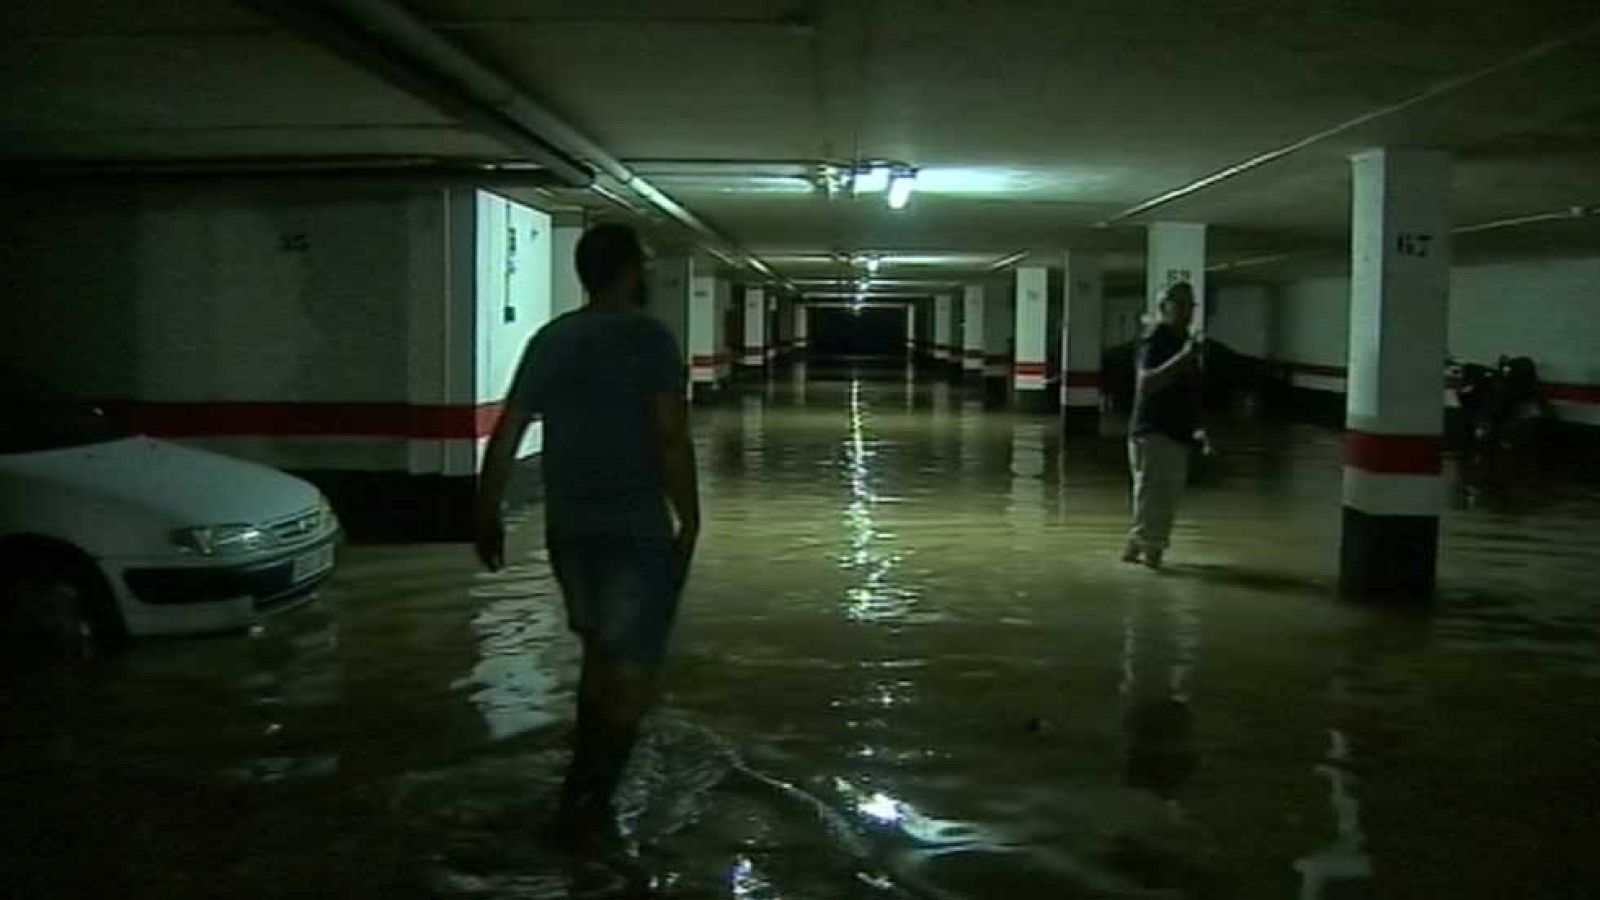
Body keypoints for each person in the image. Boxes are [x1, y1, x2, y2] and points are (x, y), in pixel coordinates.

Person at [474, 223, 700, 853]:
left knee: (598, 652)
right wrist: (691, 516)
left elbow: (509, 429)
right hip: (632, 527)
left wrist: (486, 511)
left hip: (567, 526)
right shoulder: (649, 338)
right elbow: (669, 438)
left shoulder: (553, 338)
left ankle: (578, 781)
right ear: (631, 270)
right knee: (634, 675)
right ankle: (591, 806)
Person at [1123, 281, 1208, 569]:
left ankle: (1136, 547)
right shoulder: (1157, 338)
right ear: (1164, 307)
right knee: (1159, 495)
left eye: (1190, 306)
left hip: (1173, 431)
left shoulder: (1182, 339)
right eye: (1180, 305)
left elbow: (1190, 391)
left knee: (1152, 494)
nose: (1187, 312)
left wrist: (1199, 428)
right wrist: (1183, 358)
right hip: (1155, 430)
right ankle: (1152, 555)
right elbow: (1146, 383)